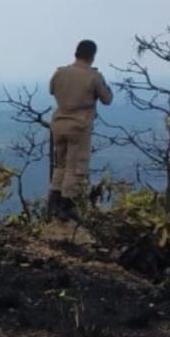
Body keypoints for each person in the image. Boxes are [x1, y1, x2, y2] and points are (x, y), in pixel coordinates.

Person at [49, 40, 114, 220]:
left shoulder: (60, 73)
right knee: (75, 168)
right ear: (92, 56)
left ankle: (53, 203)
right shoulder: (93, 76)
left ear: (76, 53)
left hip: (58, 123)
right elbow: (107, 99)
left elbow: (52, 90)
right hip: (79, 125)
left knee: (60, 165)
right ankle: (66, 208)